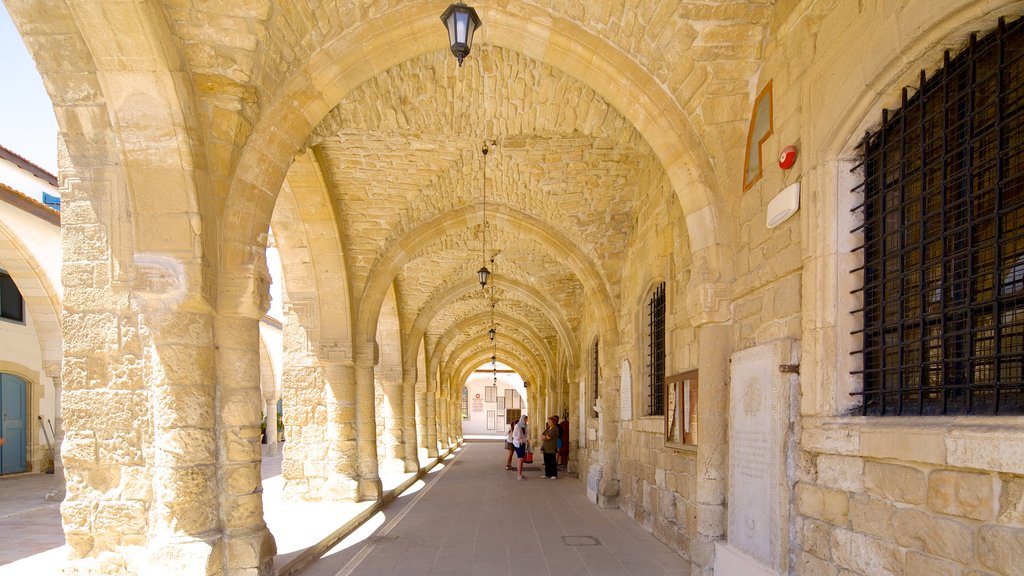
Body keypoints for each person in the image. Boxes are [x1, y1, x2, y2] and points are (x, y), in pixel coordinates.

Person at [511, 414, 529, 480]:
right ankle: (519, 475)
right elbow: (513, 435)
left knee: (522, 460)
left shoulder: (525, 426)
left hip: (523, 443)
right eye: (525, 420)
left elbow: (526, 434)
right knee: (520, 459)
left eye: (527, 420)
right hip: (518, 444)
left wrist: (527, 440)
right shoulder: (517, 426)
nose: (526, 421)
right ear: (522, 419)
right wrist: (518, 438)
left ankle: (520, 474)